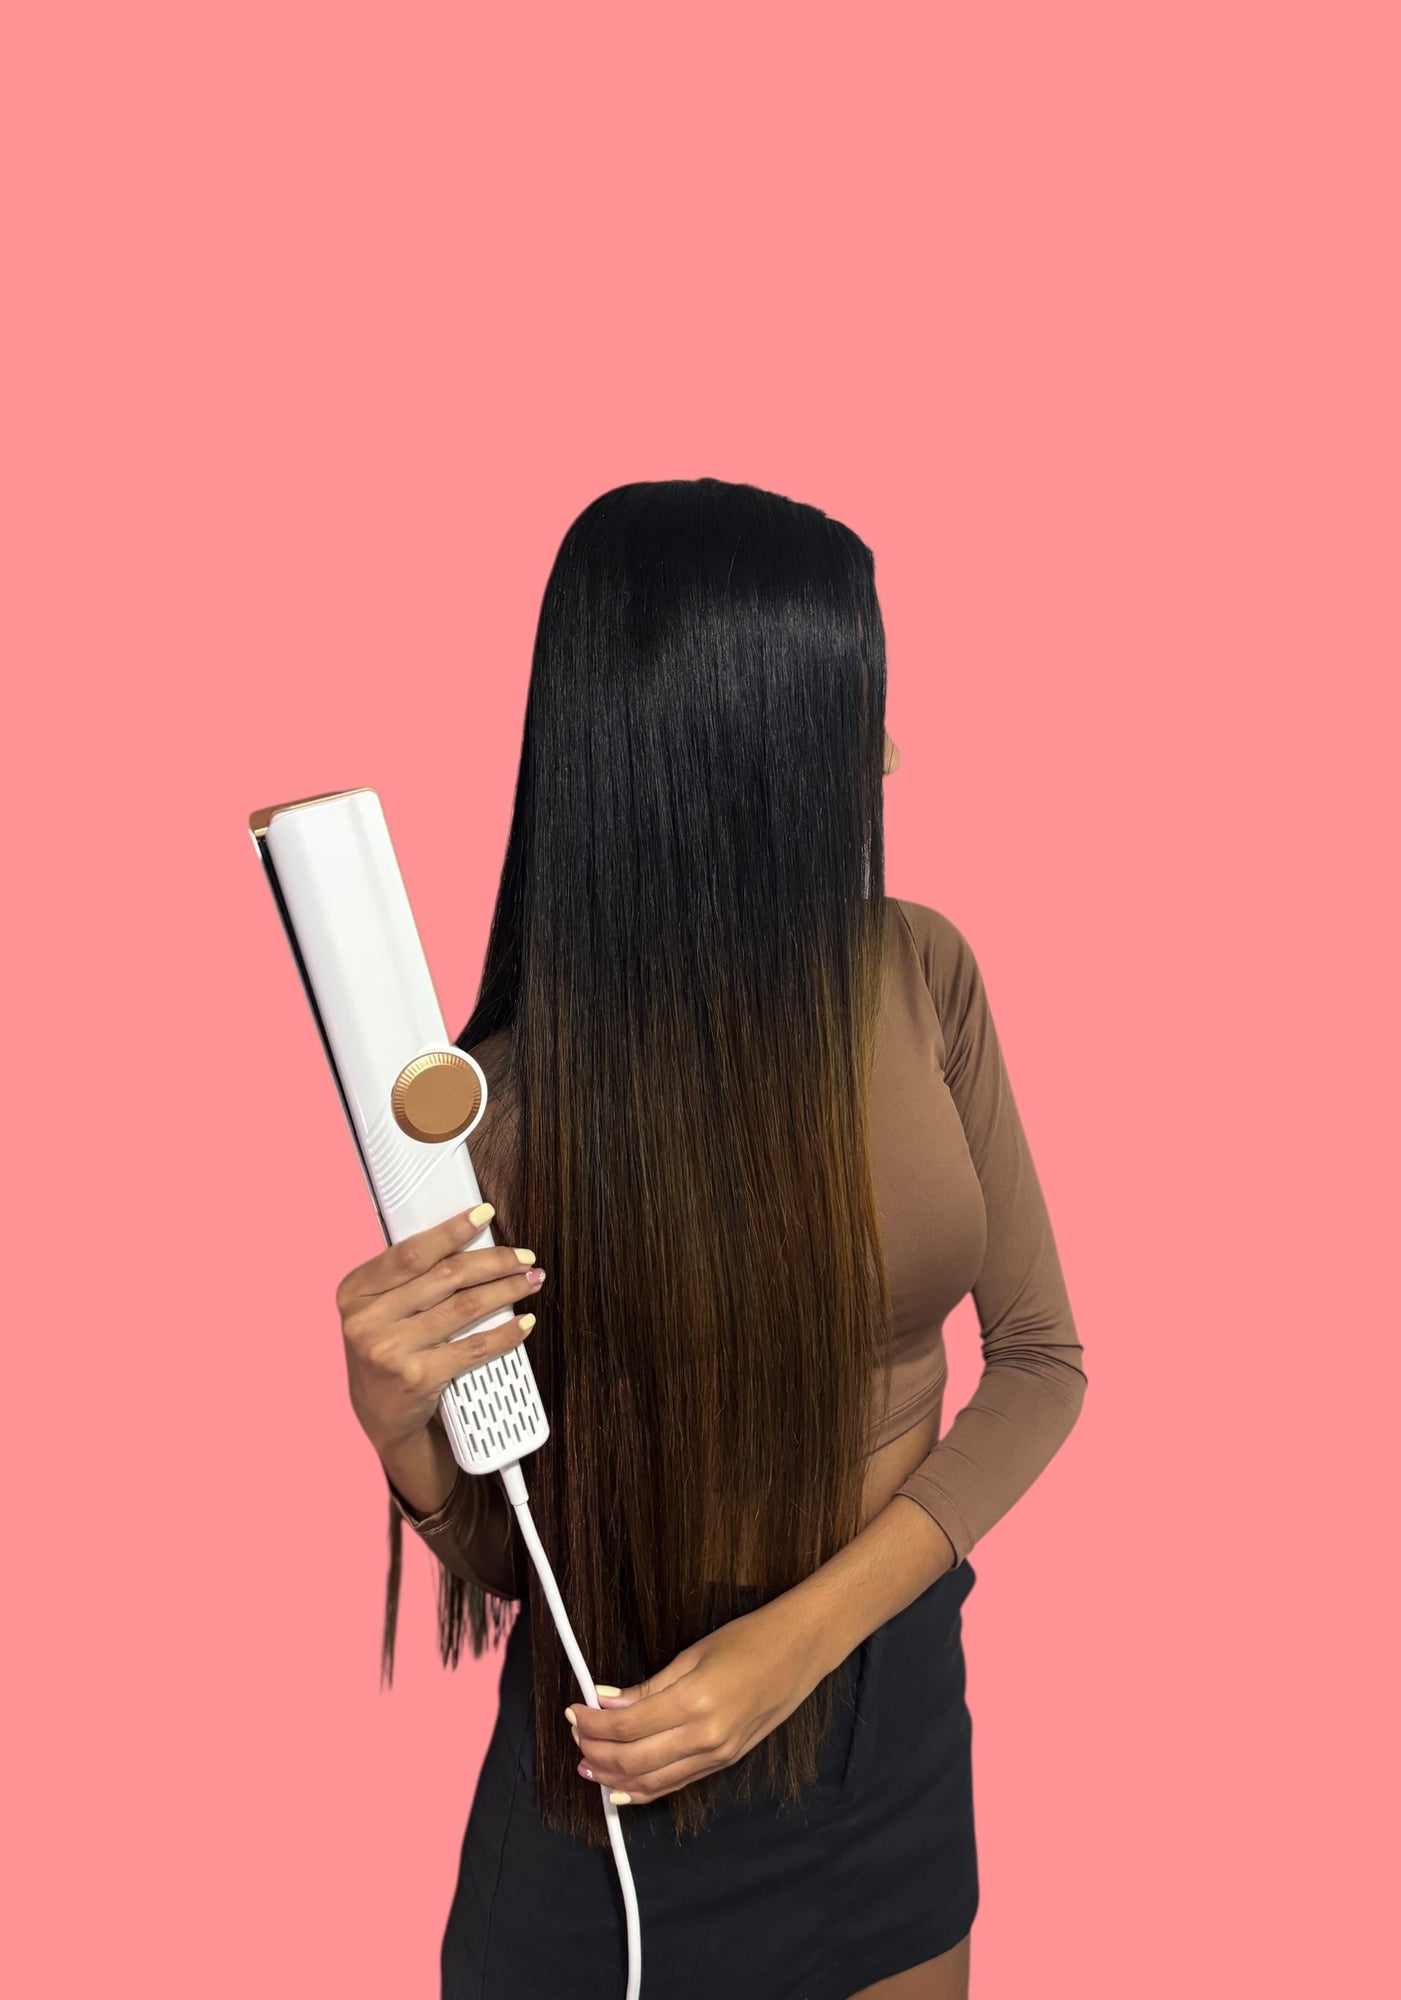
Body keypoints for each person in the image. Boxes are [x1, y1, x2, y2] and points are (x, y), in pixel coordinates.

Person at [332, 478, 1088, 1998]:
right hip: (623, 1759)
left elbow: (1041, 1362)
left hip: (888, 1722)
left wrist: (802, 1643)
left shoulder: (920, 971)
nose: (887, 756)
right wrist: (399, 1428)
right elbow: (513, 1556)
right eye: (849, 713)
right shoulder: (502, 1112)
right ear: (725, 749)